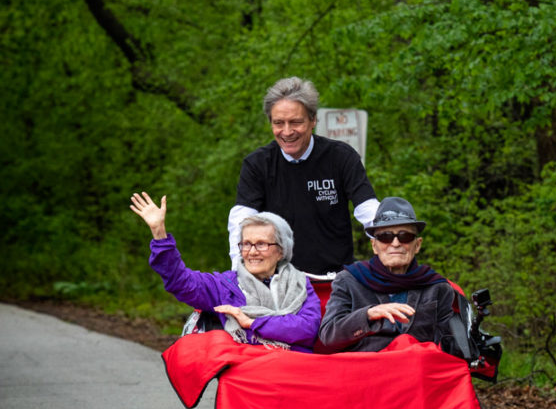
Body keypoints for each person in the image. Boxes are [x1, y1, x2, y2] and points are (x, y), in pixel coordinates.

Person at [228, 76, 379, 282]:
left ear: (313, 120)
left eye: (296, 122)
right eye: (279, 123)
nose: (287, 132)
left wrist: (390, 242)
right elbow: (241, 221)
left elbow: (369, 209)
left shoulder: (341, 157)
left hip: (335, 281)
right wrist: (239, 271)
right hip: (277, 282)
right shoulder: (257, 164)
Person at [130, 191, 321, 353]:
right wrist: (159, 233)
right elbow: (180, 281)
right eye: (246, 244)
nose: (252, 251)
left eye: (261, 244)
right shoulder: (225, 286)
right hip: (247, 378)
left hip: (295, 372)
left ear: (281, 251)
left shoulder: (299, 284)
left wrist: (251, 323)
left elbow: (307, 329)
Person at [318, 197, 455, 353]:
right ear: (374, 246)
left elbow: (449, 345)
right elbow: (329, 336)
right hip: (368, 371)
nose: (395, 243)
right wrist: (368, 314)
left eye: (405, 236)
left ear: (417, 245)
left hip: (416, 371)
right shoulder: (349, 280)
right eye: (385, 237)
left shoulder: (437, 287)